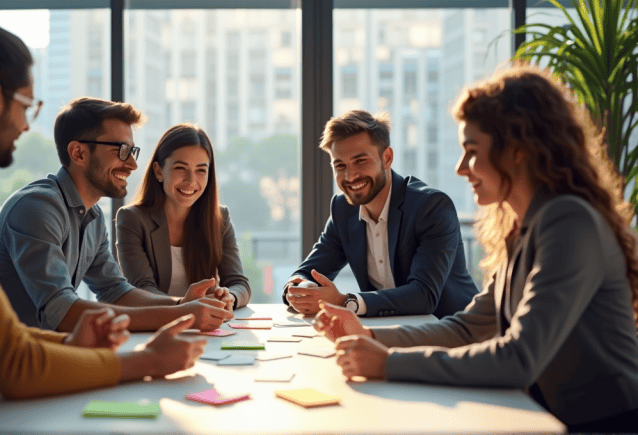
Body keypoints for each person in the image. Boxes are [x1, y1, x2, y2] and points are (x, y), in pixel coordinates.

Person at [0, 5, 206, 432]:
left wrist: (72, 343)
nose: (28, 125)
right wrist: (145, 362)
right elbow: (9, 359)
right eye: (27, 105)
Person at [314, 64, 638, 432]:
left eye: (471, 151)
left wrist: (387, 363)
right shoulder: (525, 227)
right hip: (546, 416)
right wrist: (367, 335)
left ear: (517, 150)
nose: (460, 168)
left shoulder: (568, 222)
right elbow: (467, 328)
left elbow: (519, 357)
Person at [0, 98, 234, 333]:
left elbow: (115, 292)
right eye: (121, 151)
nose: (132, 164)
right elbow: (61, 311)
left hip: (46, 353)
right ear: (78, 153)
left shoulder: (93, 217)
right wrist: (183, 314)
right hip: (7, 365)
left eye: (132, 151)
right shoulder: (37, 209)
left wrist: (181, 304)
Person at [282, 109, 478, 318]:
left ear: (387, 158)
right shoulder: (343, 209)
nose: (350, 176)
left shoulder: (431, 207)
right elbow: (308, 271)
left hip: (453, 333)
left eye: (360, 161)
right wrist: (300, 289)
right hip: (386, 332)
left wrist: (345, 301)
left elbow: (424, 295)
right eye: (340, 166)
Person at [115, 123, 251, 310]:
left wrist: (230, 297)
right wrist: (184, 305)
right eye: (180, 168)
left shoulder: (219, 218)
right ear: (159, 171)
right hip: (154, 326)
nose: (191, 181)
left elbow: (239, 283)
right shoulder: (132, 219)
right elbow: (143, 289)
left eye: (201, 170)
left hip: (205, 324)